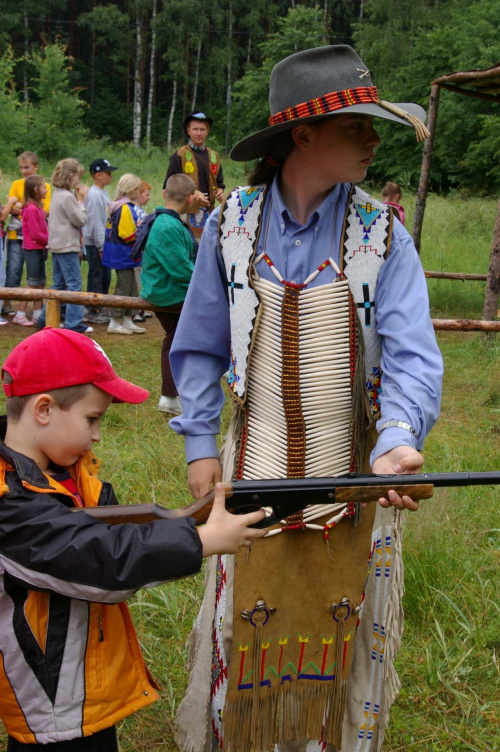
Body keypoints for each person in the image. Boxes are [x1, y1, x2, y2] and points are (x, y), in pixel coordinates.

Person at [170, 46, 443, 752]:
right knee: (245, 630)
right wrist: (202, 444)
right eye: (358, 127)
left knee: (344, 639)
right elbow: (199, 344)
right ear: (304, 135)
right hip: (252, 460)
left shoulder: (385, 237)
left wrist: (396, 441)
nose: (374, 140)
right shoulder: (229, 227)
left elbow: (412, 353)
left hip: (353, 475)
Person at [0, 326, 265, 751]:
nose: (97, 435)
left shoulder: (71, 479)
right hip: (51, 715)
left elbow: (118, 534)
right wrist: (201, 540)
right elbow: (101, 560)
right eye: (92, 419)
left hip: (90, 697)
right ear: (44, 409)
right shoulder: (9, 506)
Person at [140, 174, 197, 416]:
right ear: (191, 199)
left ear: (164, 193)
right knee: (178, 343)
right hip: (169, 293)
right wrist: (208, 283)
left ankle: (173, 396)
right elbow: (180, 269)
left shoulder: (168, 222)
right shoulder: (167, 226)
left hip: (168, 291)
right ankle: (170, 397)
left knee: (179, 341)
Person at [38, 158, 91, 334]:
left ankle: (43, 319)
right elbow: (80, 220)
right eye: (77, 177)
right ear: (70, 176)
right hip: (67, 246)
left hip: (57, 245)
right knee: (74, 285)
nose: (79, 181)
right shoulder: (68, 197)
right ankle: (74, 323)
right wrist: (82, 202)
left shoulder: (57, 193)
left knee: (58, 285)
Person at [163, 111, 225, 240]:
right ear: (188, 130)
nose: (199, 133)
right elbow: (169, 185)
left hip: (209, 212)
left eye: (202, 129)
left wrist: (219, 191)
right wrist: (193, 192)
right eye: (195, 129)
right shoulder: (180, 154)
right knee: (188, 246)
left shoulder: (214, 156)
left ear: (207, 131)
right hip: (186, 212)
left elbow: (219, 183)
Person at [3, 152, 51, 317]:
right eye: (21, 168)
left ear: (36, 166)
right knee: (16, 273)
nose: (23, 171)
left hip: (36, 242)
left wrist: (17, 207)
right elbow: (13, 209)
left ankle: (35, 311)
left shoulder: (42, 192)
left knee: (38, 280)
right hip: (22, 238)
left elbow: (44, 211)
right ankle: (12, 308)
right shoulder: (19, 187)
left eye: (27, 167)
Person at [102, 173, 146, 335]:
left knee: (132, 289)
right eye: (138, 188)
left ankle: (128, 320)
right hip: (124, 255)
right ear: (132, 190)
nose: (140, 191)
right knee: (123, 289)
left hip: (125, 255)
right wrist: (142, 233)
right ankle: (114, 321)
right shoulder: (125, 208)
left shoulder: (118, 205)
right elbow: (127, 234)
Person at [82, 158, 118, 325]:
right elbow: (96, 222)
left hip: (103, 242)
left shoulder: (102, 193)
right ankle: (92, 309)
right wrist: (100, 246)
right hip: (97, 243)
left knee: (104, 276)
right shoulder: (95, 195)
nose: (111, 176)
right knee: (97, 276)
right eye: (107, 173)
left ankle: (100, 305)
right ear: (98, 175)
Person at [12, 175, 49, 327]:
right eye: (44, 187)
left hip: (40, 248)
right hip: (32, 249)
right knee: (32, 283)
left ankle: (37, 313)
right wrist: (50, 240)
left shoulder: (38, 208)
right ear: (36, 190)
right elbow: (35, 233)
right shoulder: (31, 209)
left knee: (40, 282)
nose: (47, 190)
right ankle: (20, 314)